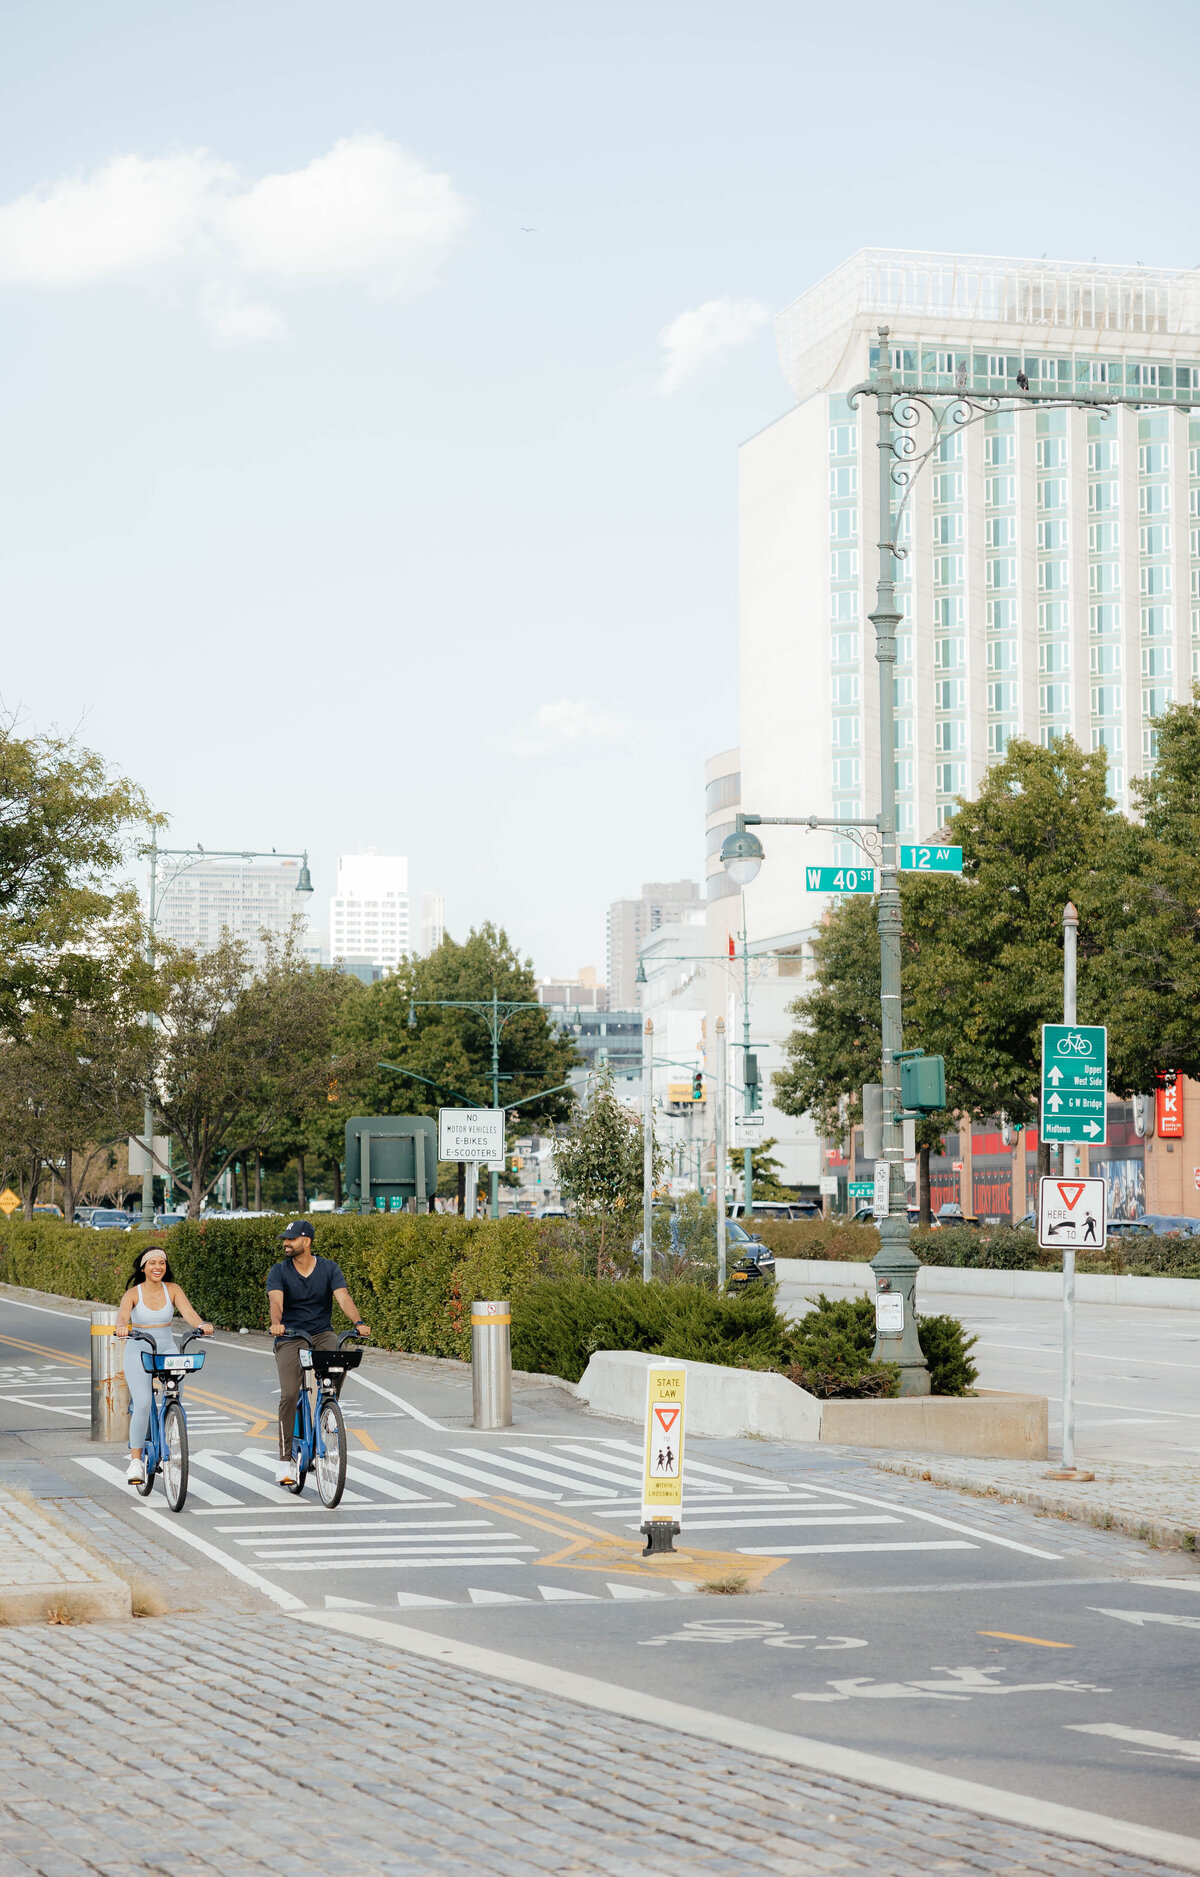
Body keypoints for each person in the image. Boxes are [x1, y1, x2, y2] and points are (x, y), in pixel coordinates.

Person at [267, 1221, 370, 1486]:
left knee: (341, 1354)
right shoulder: (279, 1270)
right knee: (290, 1393)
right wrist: (277, 1323)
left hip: (321, 1332)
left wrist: (358, 1323)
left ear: (307, 1241)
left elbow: (343, 1297)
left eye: (290, 1239)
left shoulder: (328, 1268)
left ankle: (328, 1409)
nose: (285, 1243)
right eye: (285, 1239)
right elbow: (276, 1302)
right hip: (290, 1335)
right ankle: (285, 1460)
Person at [115, 1246, 213, 1484]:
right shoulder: (133, 1293)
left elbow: (189, 1314)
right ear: (143, 1267)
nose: (158, 1267)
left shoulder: (173, 1290)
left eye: (162, 1263)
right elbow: (122, 1316)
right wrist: (121, 1327)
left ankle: (173, 1433)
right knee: (143, 1403)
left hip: (167, 1346)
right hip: (139, 1348)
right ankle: (136, 1461)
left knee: (175, 1395)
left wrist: (201, 1325)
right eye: (152, 1263)